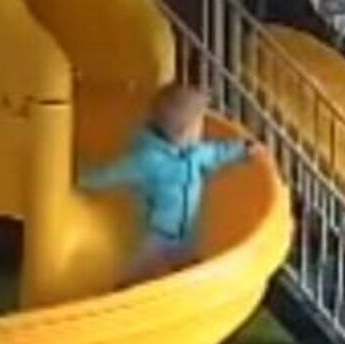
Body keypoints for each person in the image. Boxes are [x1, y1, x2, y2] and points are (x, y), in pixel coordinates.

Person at [79, 83, 255, 286]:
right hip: (157, 236)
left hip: (186, 232)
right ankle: (125, 293)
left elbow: (217, 153)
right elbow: (114, 173)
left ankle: (188, 287)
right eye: (199, 125)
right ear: (183, 132)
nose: (202, 131)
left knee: (188, 265)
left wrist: (242, 150)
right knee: (142, 272)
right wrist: (84, 177)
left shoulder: (194, 153)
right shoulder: (148, 160)